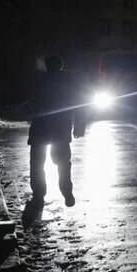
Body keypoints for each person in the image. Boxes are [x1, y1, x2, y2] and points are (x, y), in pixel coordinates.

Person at [29, 55, 84, 207]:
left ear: (47, 66)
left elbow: (31, 101)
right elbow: (78, 103)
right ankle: (66, 192)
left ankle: (39, 195)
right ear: (60, 66)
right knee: (63, 163)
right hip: (60, 129)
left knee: (37, 164)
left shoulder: (39, 80)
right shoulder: (68, 81)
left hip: (40, 128)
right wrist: (79, 124)